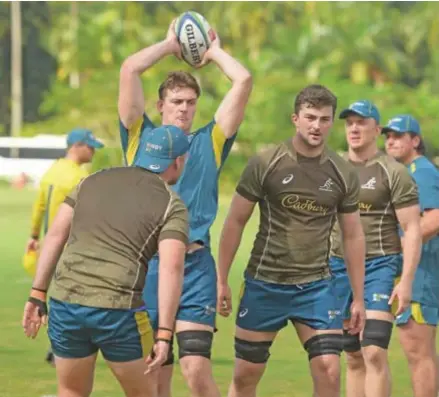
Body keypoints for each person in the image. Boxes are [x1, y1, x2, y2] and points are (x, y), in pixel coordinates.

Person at [118, 19, 252, 397]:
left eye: (191, 103)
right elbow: (129, 68)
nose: (184, 109)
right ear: (160, 105)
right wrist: (168, 45)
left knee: (195, 369)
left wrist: (211, 52)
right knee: (154, 375)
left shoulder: (210, 140)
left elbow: (242, 81)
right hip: (147, 267)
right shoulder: (138, 136)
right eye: (176, 102)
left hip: (195, 267)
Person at [217, 84, 367, 397]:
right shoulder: (266, 162)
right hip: (265, 282)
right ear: (295, 118)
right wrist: (221, 280)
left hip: (316, 286)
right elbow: (235, 221)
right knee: (246, 375)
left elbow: (352, 235)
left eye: (324, 119)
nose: (317, 126)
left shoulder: (342, 172)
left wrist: (359, 297)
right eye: (310, 117)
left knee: (329, 370)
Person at [22, 126, 190, 397]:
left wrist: (37, 293)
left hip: (66, 304)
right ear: (177, 161)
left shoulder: (92, 180)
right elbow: (172, 268)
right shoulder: (172, 204)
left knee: (71, 391)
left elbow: (54, 235)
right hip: (118, 312)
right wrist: (165, 333)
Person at [329, 102, 422, 397]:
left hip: (379, 265)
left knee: (373, 350)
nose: (354, 128)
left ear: (377, 130)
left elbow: (413, 229)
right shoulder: (332, 168)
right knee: (352, 353)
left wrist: (405, 281)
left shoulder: (393, 172)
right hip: (339, 267)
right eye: (349, 123)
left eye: (361, 122)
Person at [25, 127, 104, 366]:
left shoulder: (52, 171)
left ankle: (60, 344)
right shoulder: (78, 177)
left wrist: (34, 234)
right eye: (89, 146)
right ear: (76, 146)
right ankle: (64, 345)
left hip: (50, 246)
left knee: (63, 296)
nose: (92, 151)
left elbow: (39, 206)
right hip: (73, 246)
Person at [384, 115, 439, 397]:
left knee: (419, 353)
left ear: (415, 141)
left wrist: (400, 245)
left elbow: (435, 217)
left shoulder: (422, 171)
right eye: (388, 136)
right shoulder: (410, 171)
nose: (390, 141)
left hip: (421, 274)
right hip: (416, 273)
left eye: (398, 136)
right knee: (417, 352)